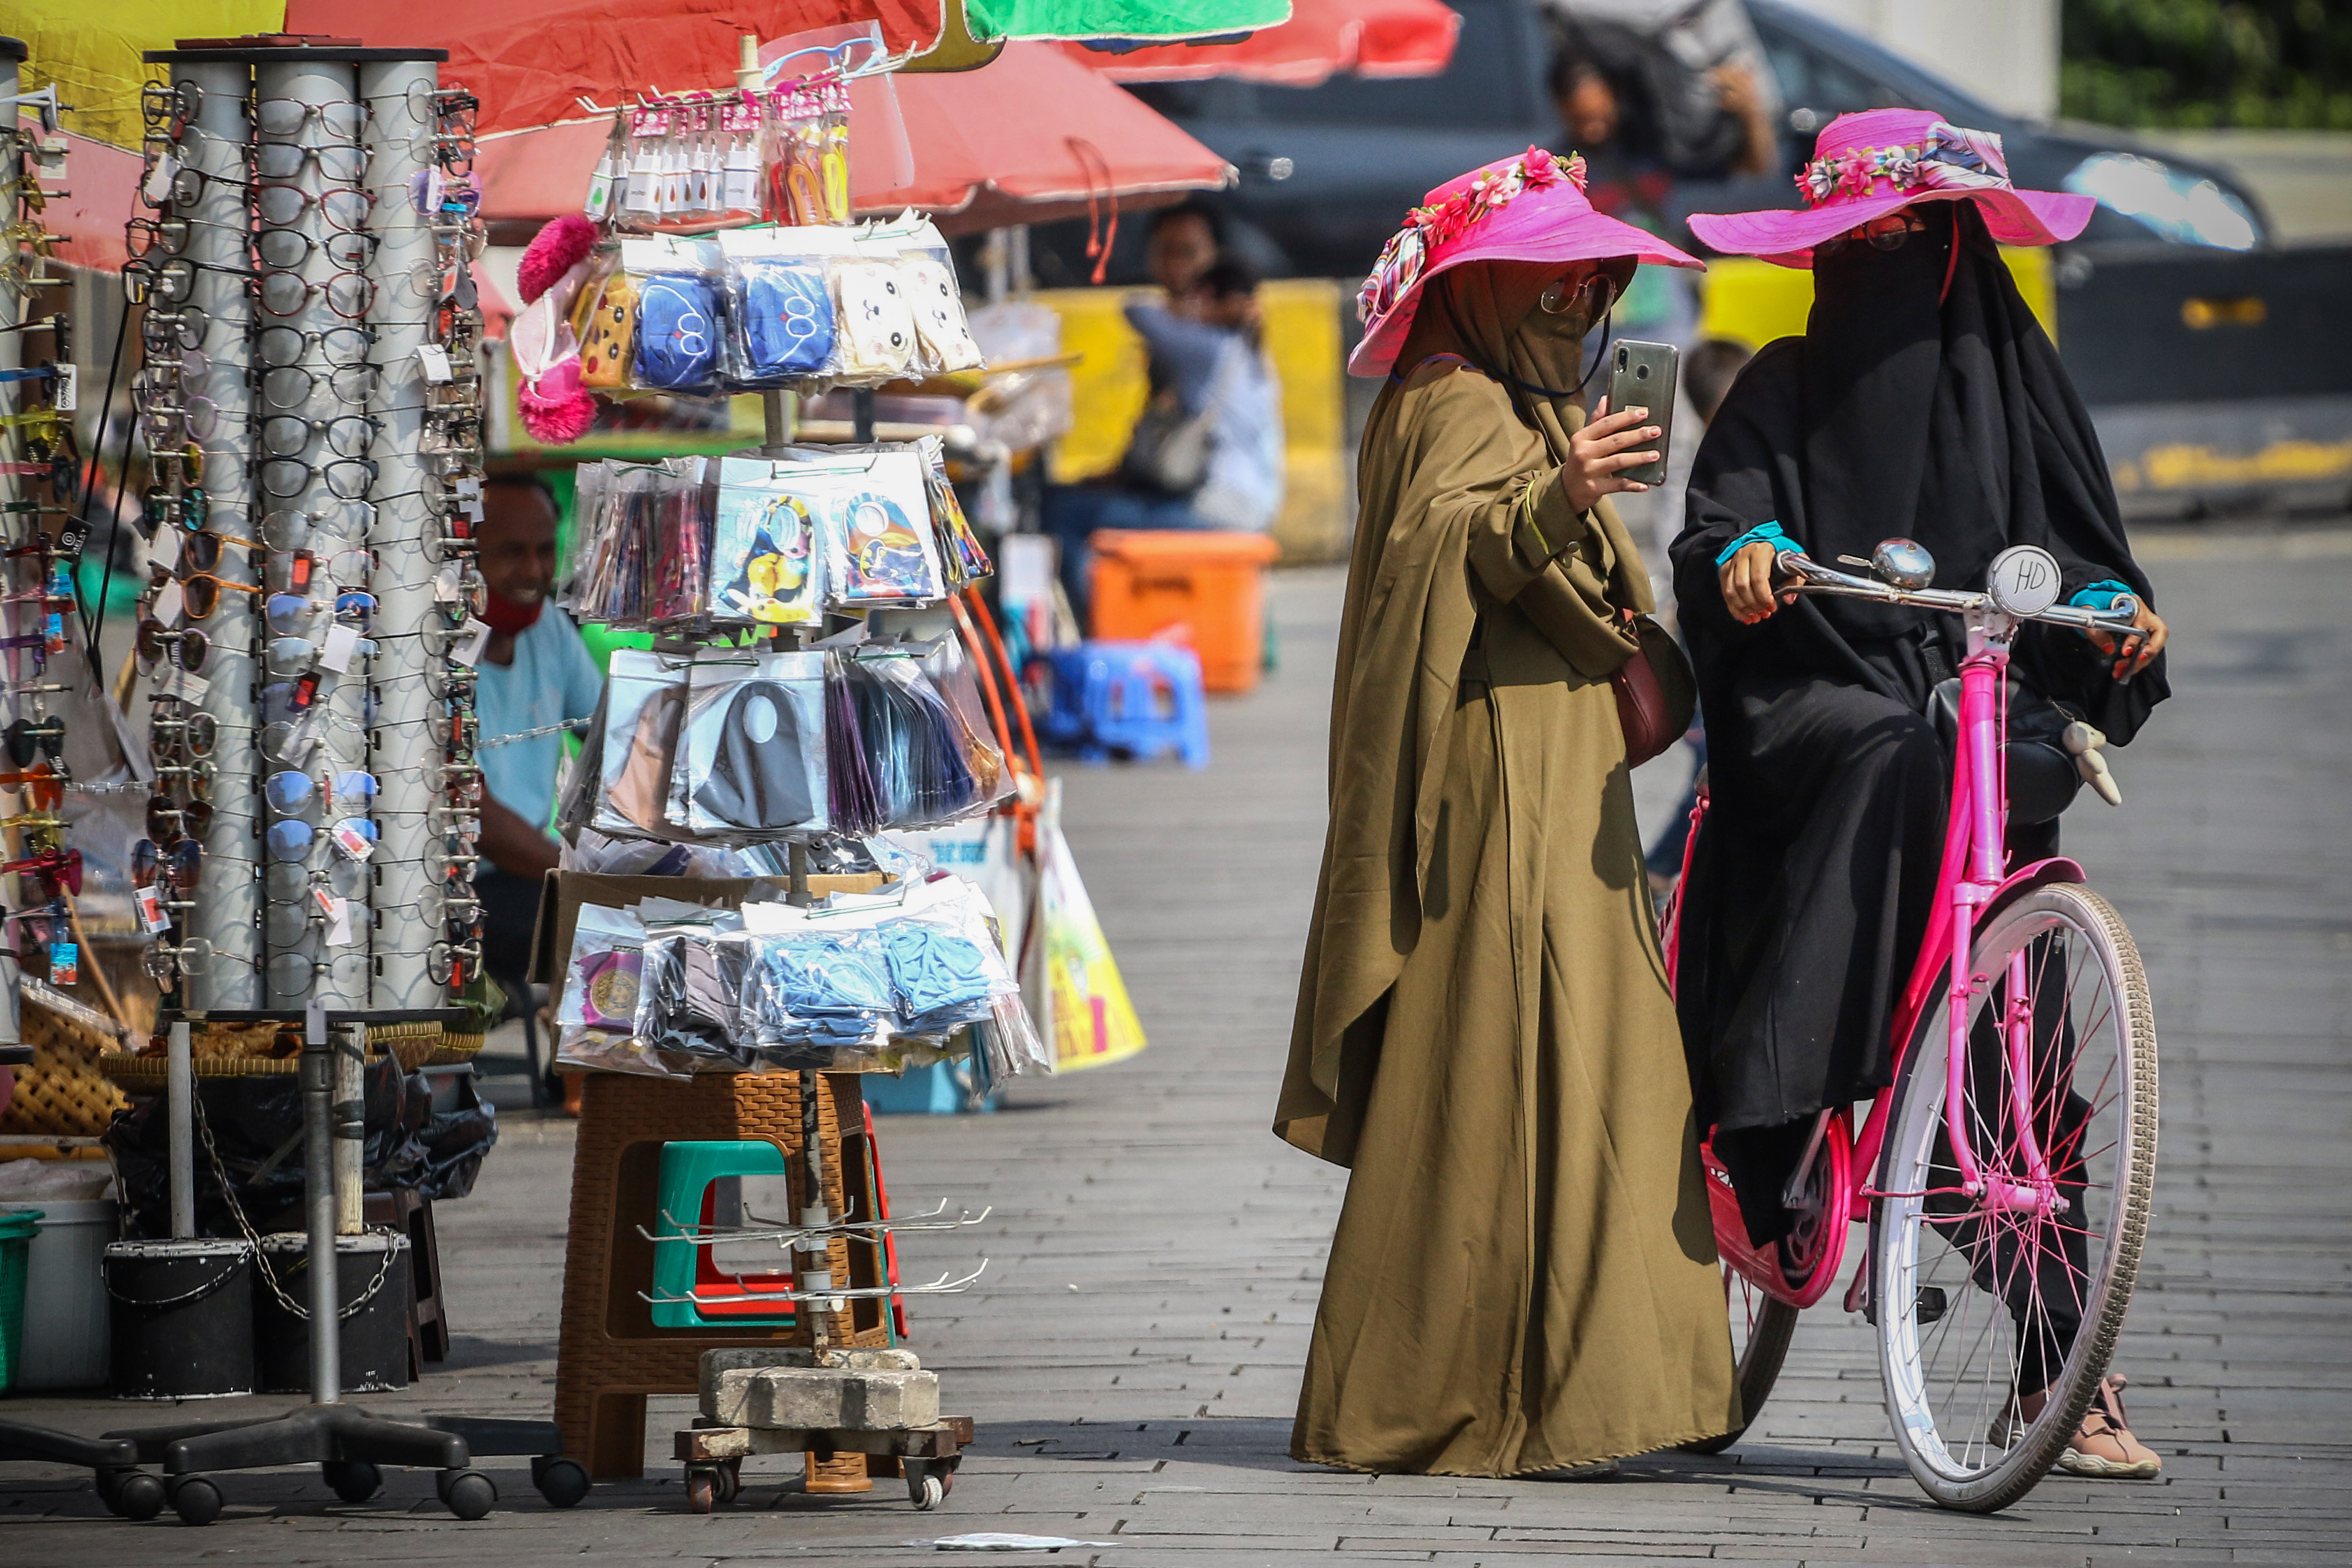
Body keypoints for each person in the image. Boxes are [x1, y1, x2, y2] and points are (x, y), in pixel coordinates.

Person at [1673, 110, 2172, 1477]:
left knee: (2022, 1051)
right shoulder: (1778, 382)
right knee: (1891, 741)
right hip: (1822, 688)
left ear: (1956, 251)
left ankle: (2063, 1373)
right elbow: (1716, 527)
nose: (1884, 262)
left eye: (1911, 239)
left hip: (1981, 694)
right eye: (1859, 243)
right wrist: (1749, 561)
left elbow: (2084, 563)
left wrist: (2120, 616)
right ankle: (1778, 1107)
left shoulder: (2025, 397)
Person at [1278, 147, 1737, 1479]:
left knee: (1593, 1067)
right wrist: (1562, 495)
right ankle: (1466, 1391)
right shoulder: (1446, 397)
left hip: (1563, 768)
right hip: (1492, 773)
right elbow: (1450, 549)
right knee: (1494, 1066)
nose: (1583, 296)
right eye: (1555, 273)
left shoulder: (1529, 397)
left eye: (1595, 278)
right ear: (1483, 284)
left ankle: (1603, 1384)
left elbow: (1523, 550)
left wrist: (1576, 489)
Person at [1039, 257, 1284, 619]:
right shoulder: (1254, 355)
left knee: (1063, 510)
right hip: (1253, 505)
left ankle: (1095, 630)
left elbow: (1136, 309)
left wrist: (1193, 311)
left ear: (1206, 297)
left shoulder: (1208, 348)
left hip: (1218, 510)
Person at [472, 474, 605, 1061]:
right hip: (467, 885)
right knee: (592, 918)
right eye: (511, 551)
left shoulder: (549, 626)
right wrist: (581, 876)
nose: (532, 569)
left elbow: (610, 737)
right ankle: (590, 1070)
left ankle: (596, 1070)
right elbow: (477, 822)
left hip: (538, 870)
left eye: (544, 551)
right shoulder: (432, 645)